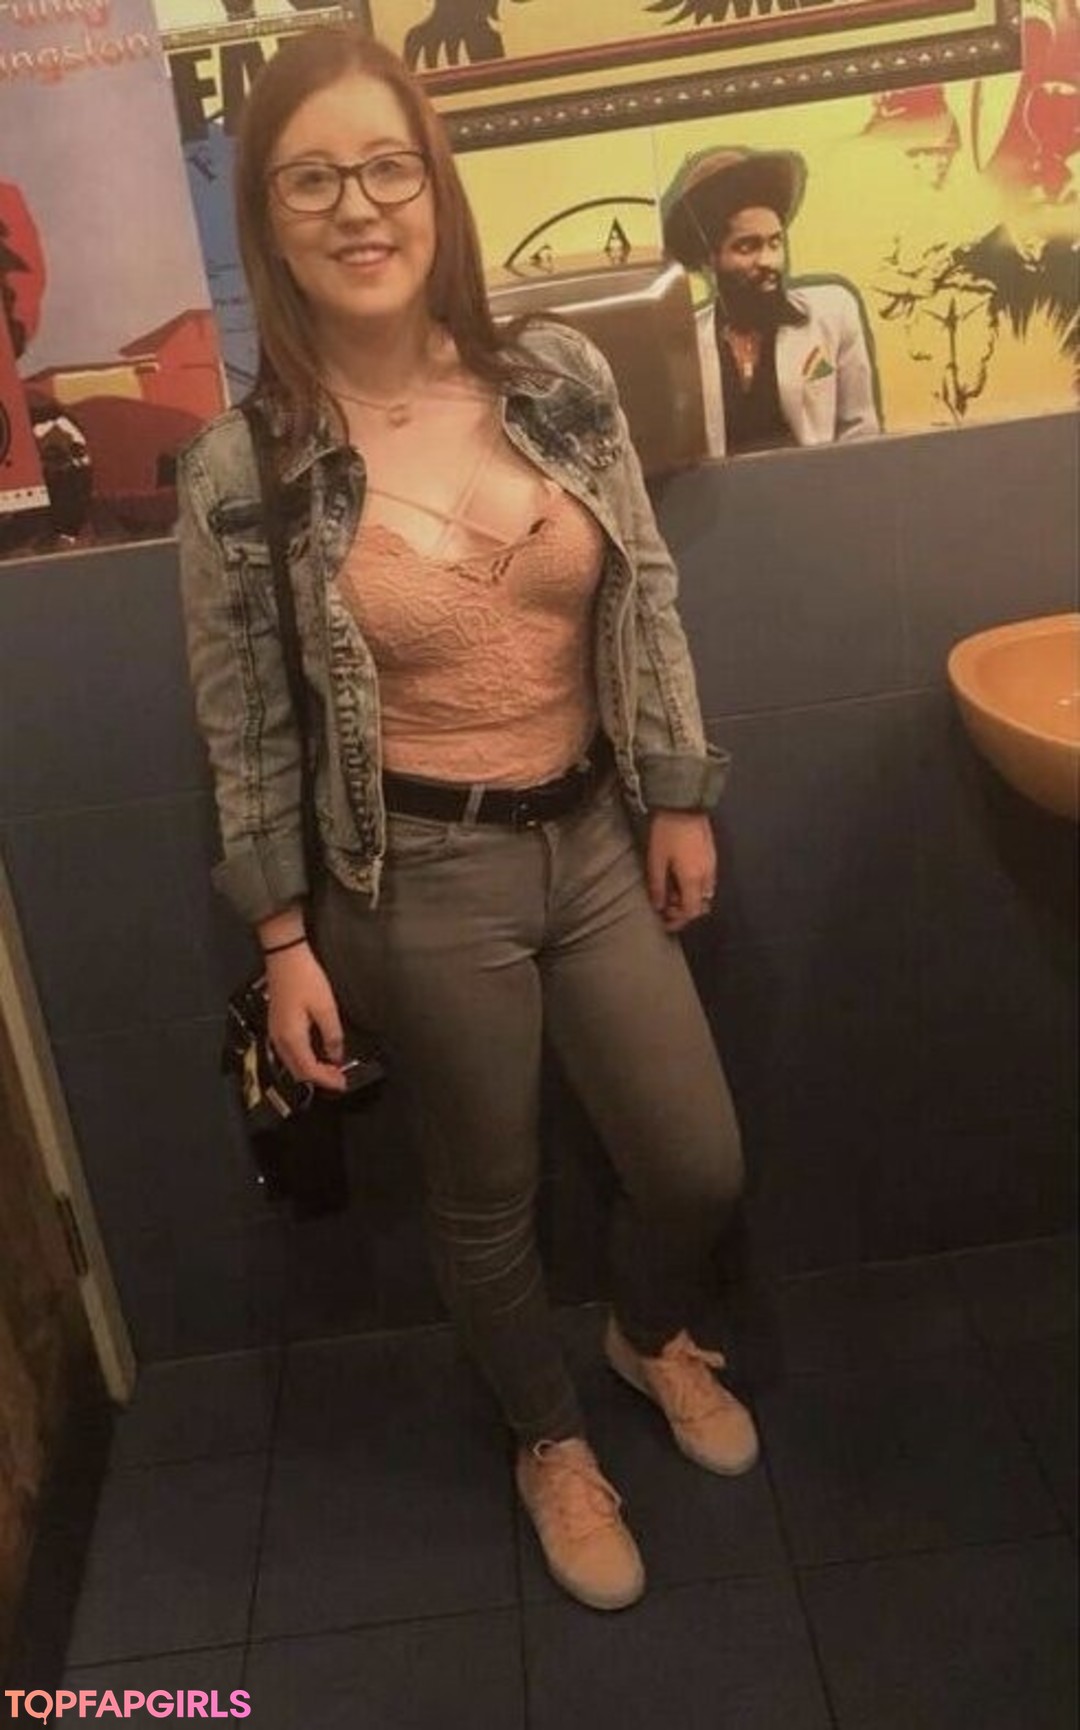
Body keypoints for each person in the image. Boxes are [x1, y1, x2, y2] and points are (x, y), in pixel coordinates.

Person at [177, 26, 756, 1615]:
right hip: (416, 875)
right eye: (312, 180)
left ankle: (645, 1333)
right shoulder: (241, 468)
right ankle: (548, 1435)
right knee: (486, 1194)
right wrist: (281, 938)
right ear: (268, 217)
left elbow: (645, 592)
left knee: (695, 1165)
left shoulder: (556, 377)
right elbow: (247, 722)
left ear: (435, 186)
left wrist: (676, 789)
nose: (358, 206)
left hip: (596, 839)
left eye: (387, 167)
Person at [662, 146, 881, 456]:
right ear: (710, 258)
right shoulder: (687, 346)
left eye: (775, 242)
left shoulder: (833, 313)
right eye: (747, 246)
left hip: (819, 484)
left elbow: (860, 432)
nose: (770, 261)